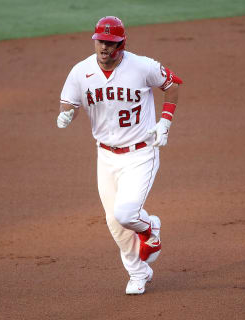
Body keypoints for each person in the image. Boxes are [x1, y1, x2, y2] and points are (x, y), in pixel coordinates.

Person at [57, 16, 182, 294]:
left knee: (126, 214)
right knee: (115, 223)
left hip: (141, 153)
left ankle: (150, 228)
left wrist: (165, 122)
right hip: (106, 156)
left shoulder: (141, 66)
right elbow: (70, 99)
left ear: (122, 44)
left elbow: (172, 85)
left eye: (111, 43)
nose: (105, 48)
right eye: (101, 41)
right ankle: (139, 272)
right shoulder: (81, 71)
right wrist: (67, 112)